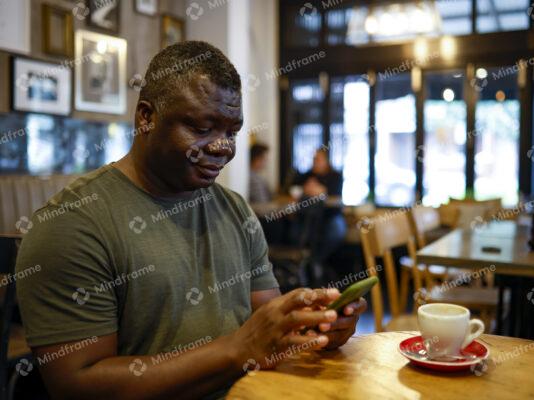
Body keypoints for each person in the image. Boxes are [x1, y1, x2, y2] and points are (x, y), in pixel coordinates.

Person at [15, 41, 366, 399]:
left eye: (231, 131)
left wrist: (313, 328)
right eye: (201, 127)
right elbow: (78, 385)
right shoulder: (74, 224)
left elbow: (267, 326)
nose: (222, 147)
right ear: (146, 117)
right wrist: (237, 350)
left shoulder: (236, 210)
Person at [292, 149, 347, 284]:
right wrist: (309, 190)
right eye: (314, 159)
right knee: (299, 231)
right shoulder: (308, 175)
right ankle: (306, 265)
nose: (315, 162)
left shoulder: (335, 176)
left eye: (318, 159)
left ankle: (316, 260)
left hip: (332, 216)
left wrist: (320, 191)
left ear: (326, 161)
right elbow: (294, 188)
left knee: (336, 231)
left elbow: (335, 194)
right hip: (310, 218)